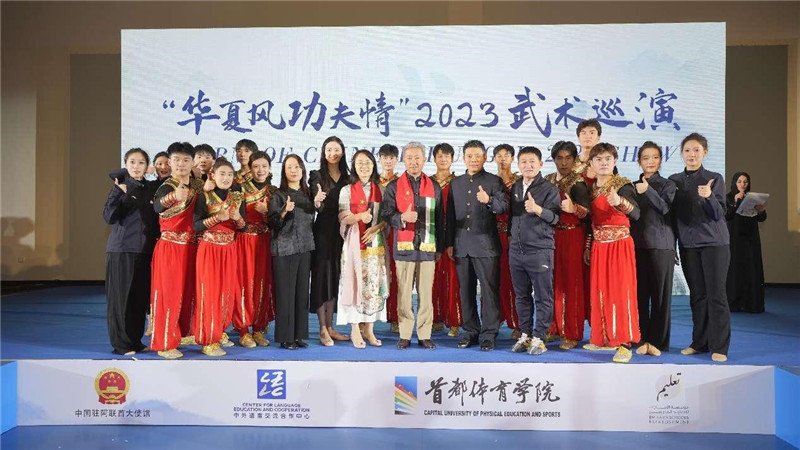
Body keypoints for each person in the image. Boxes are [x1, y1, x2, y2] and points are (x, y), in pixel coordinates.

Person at [669, 133, 731, 362]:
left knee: (716, 295)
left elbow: (719, 214)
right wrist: (673, 246)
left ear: (705, 152)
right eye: (687, 150)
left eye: (696, 150)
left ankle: (719, 347)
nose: (692, 155)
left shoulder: (714, 178)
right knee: (697, 296)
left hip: (715, 244)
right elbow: (672, 217)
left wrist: (709, 197)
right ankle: (699, 343)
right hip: (688, 245)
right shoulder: (674, 180)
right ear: (681, 153)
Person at [446, 140, 508, 351]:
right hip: (461, 245)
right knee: (466, 291)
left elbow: (503, 207)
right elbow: (450, 216)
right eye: (469, 156)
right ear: (463, 158)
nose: (473, 160)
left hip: (486, 246)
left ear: (485, 158)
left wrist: (489, 200)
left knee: (489, 291)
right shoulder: (456, 183)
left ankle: (489, 334)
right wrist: (449, 243)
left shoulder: (494, 181)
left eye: (477, 156)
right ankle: (471, 331)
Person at [382, 142, 444, 350]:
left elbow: (440, 218)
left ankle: (424, 334)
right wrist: (402, 217)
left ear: (424, 160)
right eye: (409, 158)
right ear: (403, 160)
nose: (413, 162)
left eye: (417, 158)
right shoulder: (393, 187)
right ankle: (405, 334)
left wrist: (440, 248)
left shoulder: (434, 186)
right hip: (404, 249)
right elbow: (386, 215)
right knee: (404, 294)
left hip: (427, 248)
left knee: (426, 294)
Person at [583, 143, 641, 363]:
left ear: (615, 161)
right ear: (591, 163)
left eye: (608, 158)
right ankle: (602, 338)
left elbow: (637, 214)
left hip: (619, 245)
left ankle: (625, 344)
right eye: (598, 159)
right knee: (600, 291)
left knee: (621, 292)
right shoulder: (590, 189)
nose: (604, 163)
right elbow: (591, 223)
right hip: (599, 247)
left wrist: (620, 202)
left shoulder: (622, 185)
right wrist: (588, 245)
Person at [103, 148, 160, 355]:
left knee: (139, 299)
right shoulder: (120, 186)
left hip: (145, 251)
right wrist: (121, 190)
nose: (136, 167)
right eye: (132, 162)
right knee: (121, 300)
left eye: (141, 163)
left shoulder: (150, 189)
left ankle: (135, 340)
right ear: (126, 165)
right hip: (122, 249)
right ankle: (120, 344)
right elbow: (109, 217)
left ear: (147, 166)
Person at [150, 142, 203, 359]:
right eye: (177, 160)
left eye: (185, 160)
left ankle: (184, 333)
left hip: (193, 247)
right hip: (171, 248)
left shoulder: (198, 186)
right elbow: (156, 207)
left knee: (190, 293)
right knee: (169, 295)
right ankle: (164, 343)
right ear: (170, 162)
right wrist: (173, 197)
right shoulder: (167, 186)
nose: (181, 164)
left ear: (192, 162)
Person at [508, 146, 560, 356]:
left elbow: (555, 218)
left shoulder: (549, 189)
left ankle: (540, 337)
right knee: (521, 296)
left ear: (540, 164)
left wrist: (538, 209)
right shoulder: (516, 187)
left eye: (532, 162)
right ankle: (526, 334)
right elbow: (512, 217)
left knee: (542, 297)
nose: (528, 166)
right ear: (518, 165)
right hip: (516, 251)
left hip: (540, 250)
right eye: (524, 162)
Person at [192, 157, 245, 357]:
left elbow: (243, 227)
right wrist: (217, 218)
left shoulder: (237, 197)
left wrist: (238, 218)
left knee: (226, 293)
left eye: (230, 174)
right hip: (210, 250)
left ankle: (219, 331)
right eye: (222, 174)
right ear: (213, 175)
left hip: (230, 249)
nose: (226, 178)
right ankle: (208, 340)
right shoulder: (204, 196)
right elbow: (196, 225)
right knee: (209, 294)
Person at [337, 150, 389, 348]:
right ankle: (355, 329)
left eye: (367, 162)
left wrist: (376, 228)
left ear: (373, 165)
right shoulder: (347, 190)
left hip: (375, 245)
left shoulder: (381, 189)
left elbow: (387, 217)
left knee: (373, 286)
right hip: (354, 245)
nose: (364, 166)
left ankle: (369, 328)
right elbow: (342, 216)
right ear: (354, 166)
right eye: (359, 163)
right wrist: (359, 217)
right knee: (355, 285)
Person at [630, 141, 677, 357]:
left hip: (662, 246)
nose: (650, 161)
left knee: (660, 298)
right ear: (639, 161)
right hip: (636, 246)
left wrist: (648, 190)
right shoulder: (631, 186)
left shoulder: (668, 185)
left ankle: (658, 342)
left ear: (660, 160)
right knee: (639, 297)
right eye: (646, 158)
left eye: (655, 157)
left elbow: (664, 208)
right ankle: (641, 339)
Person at [544, 141, 591, 350]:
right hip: (549, 238)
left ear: (574, 160)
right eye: (559, 158)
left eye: (568, 158)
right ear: (554, 159)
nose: (564, 163)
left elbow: (589, 215)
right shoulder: (546, 181)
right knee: (551, 284)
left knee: (571, 285)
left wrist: (574, 209)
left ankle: (572, 333)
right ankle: (553, 327)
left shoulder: (579, 183)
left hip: (572, 237)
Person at [268, 154, 315, 350]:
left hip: (305, 247)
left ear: (302, 169)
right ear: (284, 171)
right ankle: (286, 337)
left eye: (297, 166)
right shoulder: (278, 194)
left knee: (302, 293)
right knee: (286, 294)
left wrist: (318, 203)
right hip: (285, 248)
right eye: (289, 167)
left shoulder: (308, 194)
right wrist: (284, 210)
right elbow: (272, 223)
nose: (293, 170)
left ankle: (298, 335)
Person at [309, 136, 350, 346]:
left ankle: (331, 326)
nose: (333, 153)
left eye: (336, 149)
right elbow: (315, 203)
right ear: (324, 153)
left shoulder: (349, 178)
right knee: (321, 278)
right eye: (329, 149)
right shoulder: (316, 175)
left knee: (336, 277)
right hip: (323, 231)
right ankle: (322, 329)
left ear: (342, 152)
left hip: (343, 231)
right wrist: (316, 203)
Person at [235, 151, 277, 348]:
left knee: (263, 283)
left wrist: (267, 213)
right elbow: (237, 220)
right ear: (250, 169)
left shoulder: (274, 191)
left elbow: (277, 221)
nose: (260, 170)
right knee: (244, 283)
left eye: (264, 166)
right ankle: (243, 330)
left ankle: (259, 328)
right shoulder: (240, 189)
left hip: (265, 242)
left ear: (269, 168)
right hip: (244, 242)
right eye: (256, 166)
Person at [430, 143, 462, 337]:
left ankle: (454, 321)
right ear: (434, 159)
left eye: (447, 156)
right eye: (440, 156)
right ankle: (435, 319)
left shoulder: (458, 183)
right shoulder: (427, 182)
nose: (443, 159)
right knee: (432, 280)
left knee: (453, 280)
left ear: (452, 159)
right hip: (431, 236)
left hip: (453, 236)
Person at [726, 172, 767, 313]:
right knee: (735, 268)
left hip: (750, 238)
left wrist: (761, 211)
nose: (742, 184)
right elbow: (726, 216)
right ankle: (734, 302)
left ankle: (751, 303)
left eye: (745, 181)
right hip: (734, 238)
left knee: (751, 268)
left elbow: (761, 218)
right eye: (739, 181)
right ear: (734, 183)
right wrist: (735, 202)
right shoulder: (728, 197)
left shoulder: (753, 198)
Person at [493, 143, 521, 340]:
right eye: (499, 155)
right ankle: (494, 320)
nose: (502, 159)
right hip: (491, 236)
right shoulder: (489, 180)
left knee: (512, 281)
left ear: (512, 158)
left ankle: (517, 323)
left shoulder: (519, 181)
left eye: (506, 155)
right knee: (491, 280)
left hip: (512, 236)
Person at [378, 143, 401, 334]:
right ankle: (368, 319)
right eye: (384, 157)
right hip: (374, 233)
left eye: (391, 158)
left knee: (396, 276)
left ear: (396, 160)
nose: (388, 161)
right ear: (379, 159)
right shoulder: (371, 182)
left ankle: (396, 317)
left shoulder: (402, 183)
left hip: (395, 232)